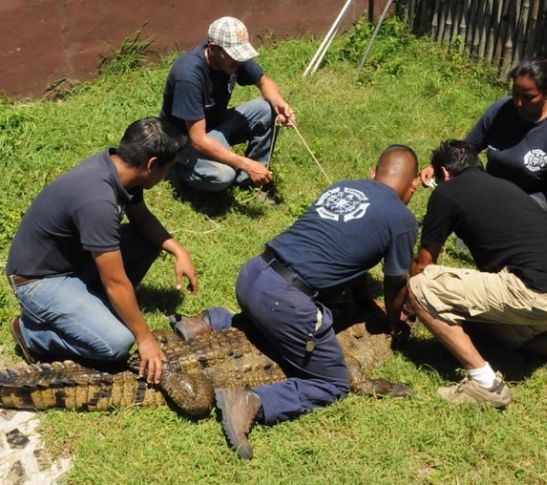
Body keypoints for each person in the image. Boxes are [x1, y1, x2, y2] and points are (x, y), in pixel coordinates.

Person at [177, 145, 420, 459]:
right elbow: (396, 281)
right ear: (412, 185)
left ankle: (210, 321)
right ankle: (250, 402)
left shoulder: (343, 187)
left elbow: (355, 264)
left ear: (373, 173)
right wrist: (392, 323)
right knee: (332, 383)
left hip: (253, 274)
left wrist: (364, 303)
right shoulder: (402, 219)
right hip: (283, 301)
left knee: (273, 318)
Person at [5, 117, 198, 384]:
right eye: (168, 169)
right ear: (151, 164)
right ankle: (31, 334)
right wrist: (145, 338)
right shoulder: (98, 200)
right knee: (117, 343)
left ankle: (96, 307)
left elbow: (141, 218)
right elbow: (115, 282)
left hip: (72, 260)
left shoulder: (120, 169)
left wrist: (177, 250)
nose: (166, 176)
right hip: (38, 281)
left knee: (148, 241)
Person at [408, 140, 547, 409]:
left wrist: (400, 305)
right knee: (502, 335)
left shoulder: (447, 193)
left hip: (537, 289)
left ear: (443, 172)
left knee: (421, 287)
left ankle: (485, 384)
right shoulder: (506, 187)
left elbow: (423, 265)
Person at [160, 16, 296, 192]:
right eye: (233, 56)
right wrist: (246, 163)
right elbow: (198, 140)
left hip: (216, 125)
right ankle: (177, 166)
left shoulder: (232, 58)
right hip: (185, 140)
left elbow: (264, 82)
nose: (239, 61)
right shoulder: (189, 75)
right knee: (223, 176)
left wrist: (279, 103)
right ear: (213, 48)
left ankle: (252, 180)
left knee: (267, 107)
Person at [420, 58, 547, 223]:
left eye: (528, 97)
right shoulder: (501, 110)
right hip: (493, 189)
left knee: (510, 221)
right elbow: (469, 147)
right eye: (515, 93)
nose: (518, 102)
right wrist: (438, 167)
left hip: (533, 198)